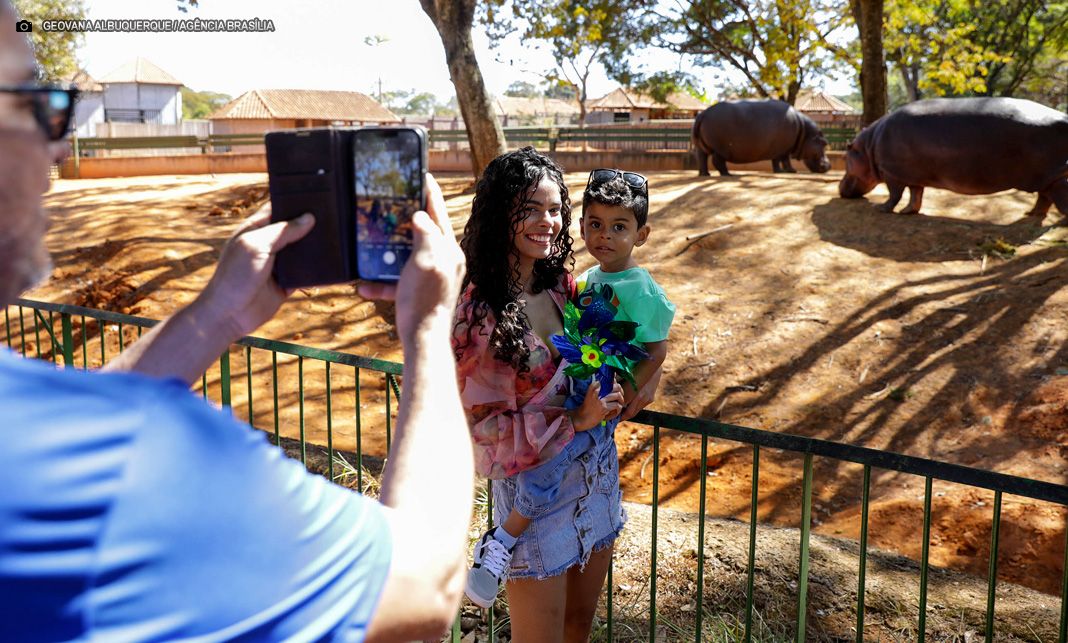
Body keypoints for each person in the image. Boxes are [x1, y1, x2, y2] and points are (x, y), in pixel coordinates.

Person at [0, 2, 473, 640]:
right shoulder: (131, 461)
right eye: (37, 104)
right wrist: (428, 329)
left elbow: (74, 425)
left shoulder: (42, 437)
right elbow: (425, 581)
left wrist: (215, 315)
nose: (59, 142)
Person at [451, 147, 659, 641]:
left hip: (596, 482)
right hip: (534, 503)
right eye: (531, 209)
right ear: (502, 212)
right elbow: (484, 435)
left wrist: (643, 380)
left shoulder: (565, 287)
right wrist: (575, 422)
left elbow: (622, 351)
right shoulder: (478, 314)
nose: (548, 221)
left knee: (577, 628)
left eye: (554, 209)